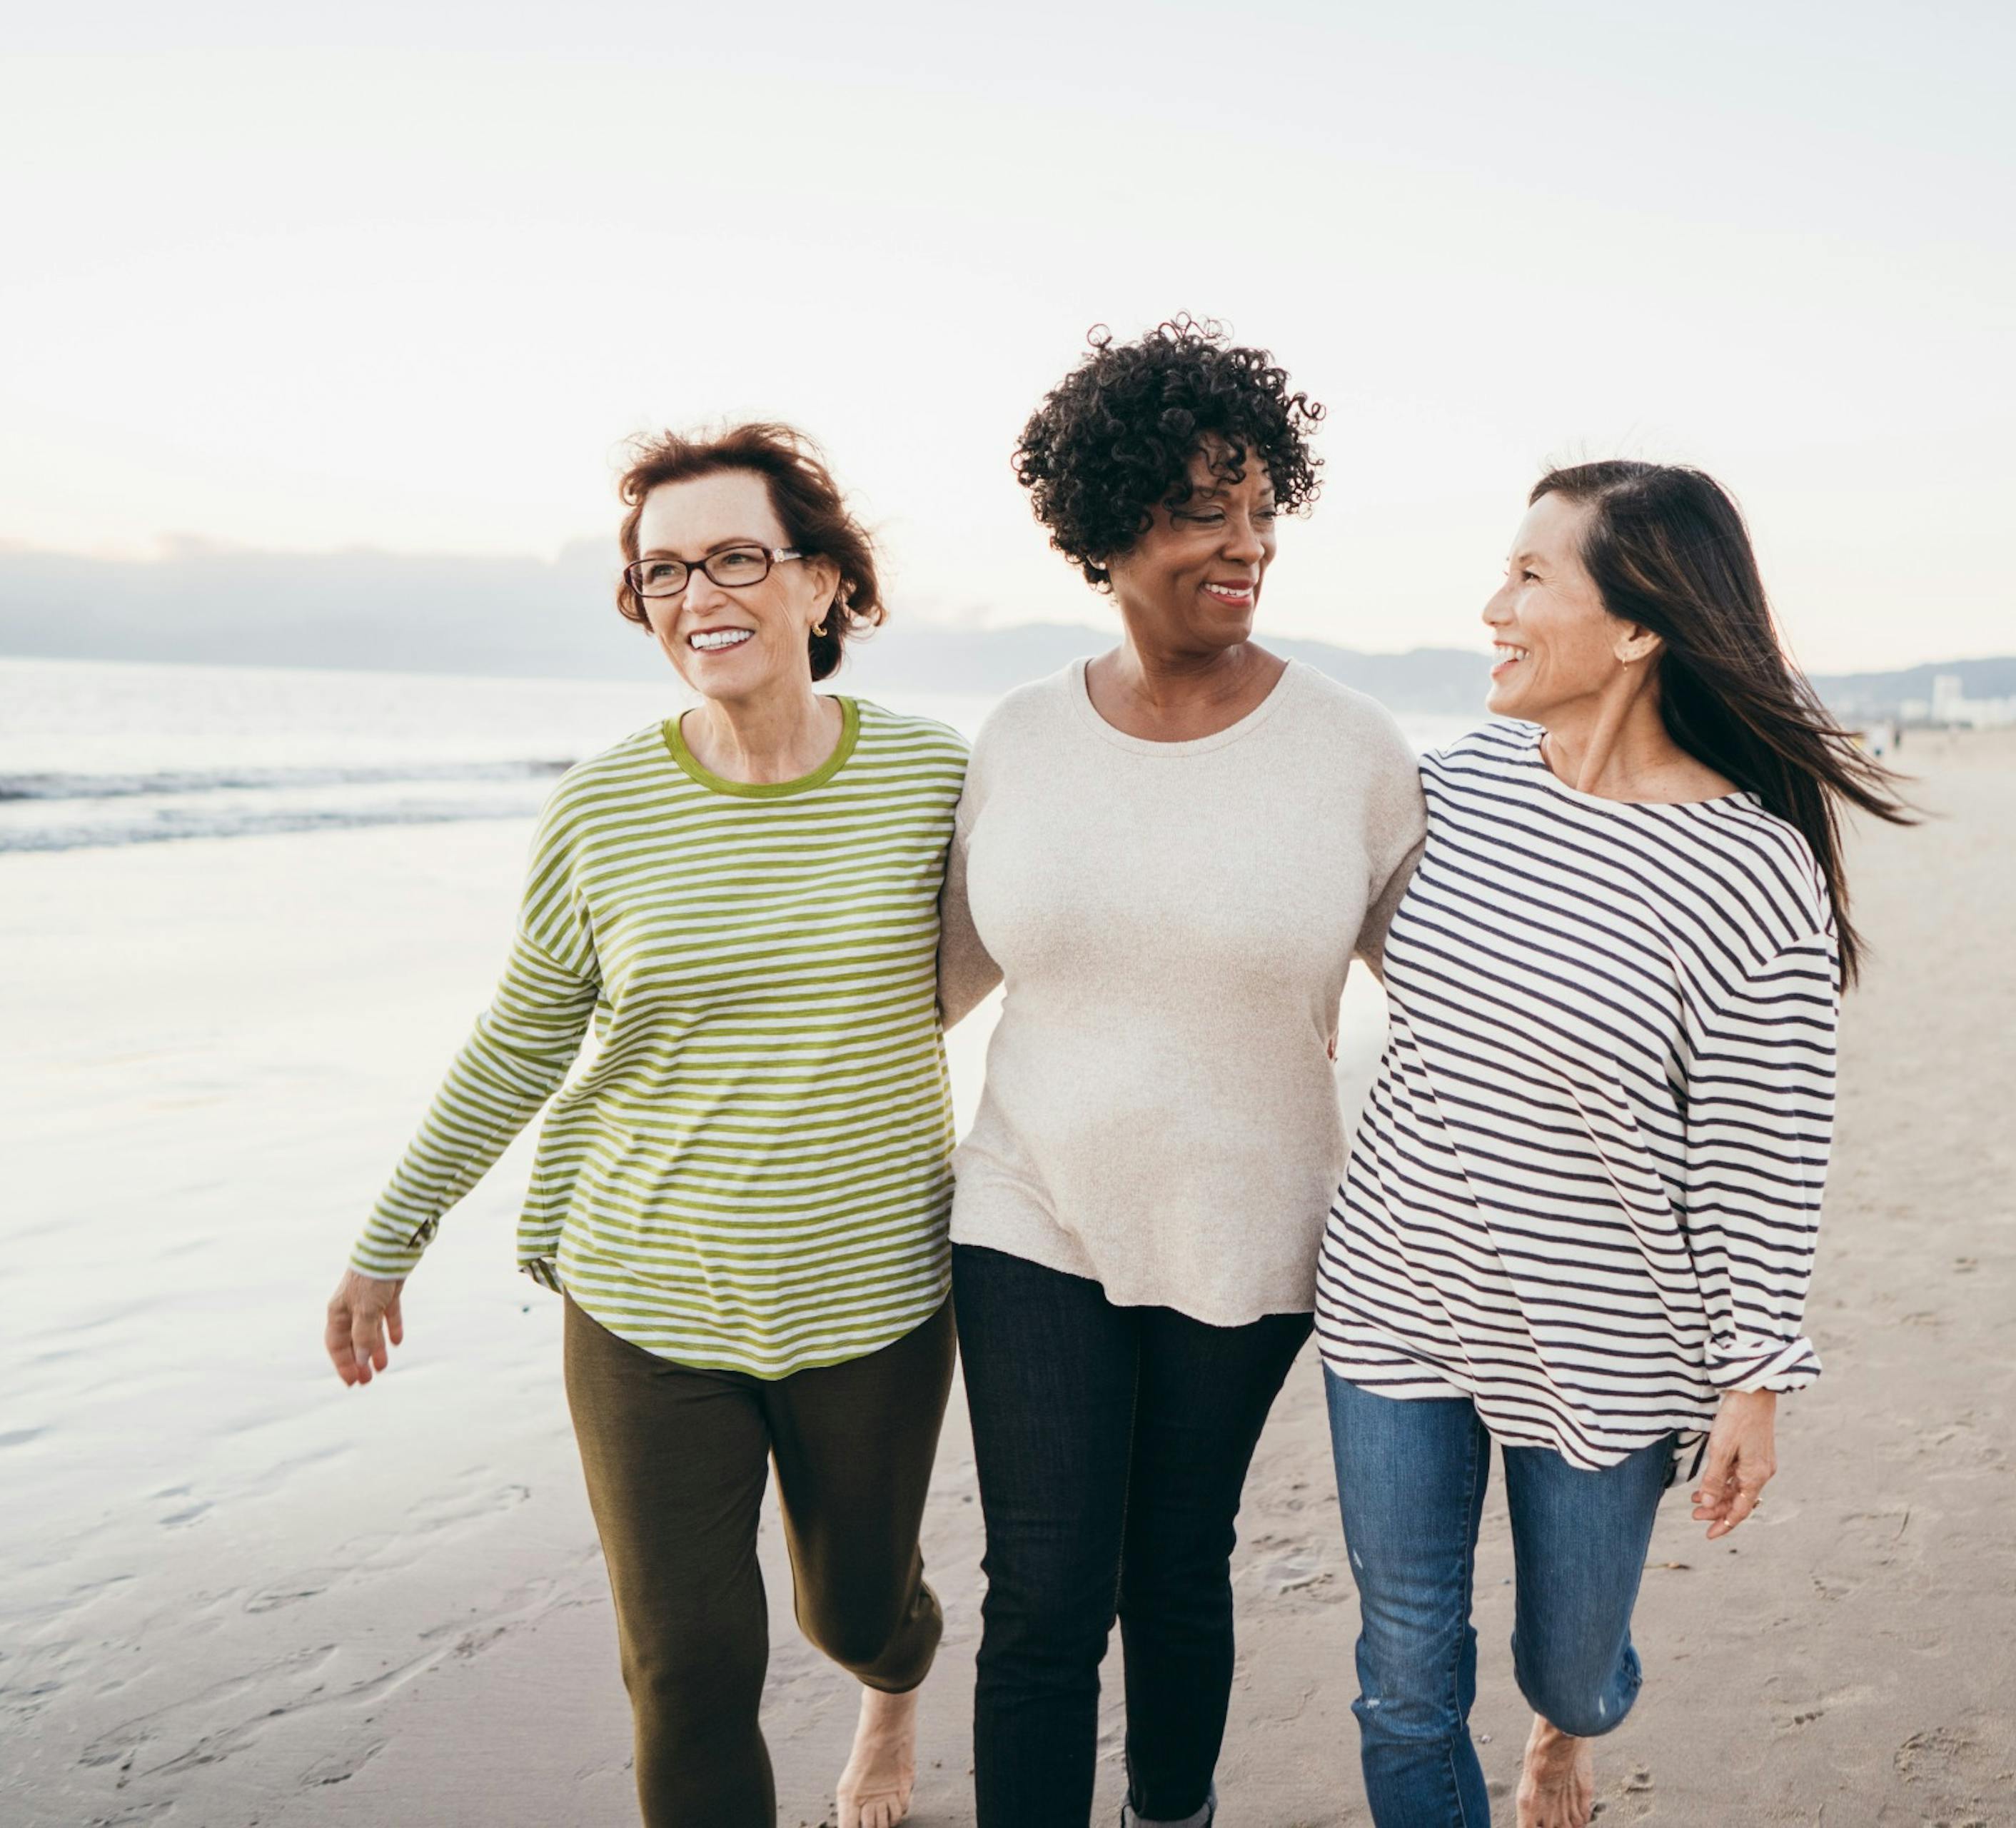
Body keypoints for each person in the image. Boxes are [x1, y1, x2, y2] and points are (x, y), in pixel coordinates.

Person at [322, 424, 966, 1828]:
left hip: (873, 1295)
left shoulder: (937, 781)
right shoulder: (603, 807)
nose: (697, 593)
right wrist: (389, 1241)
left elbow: (1062, 945)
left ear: (822, 583)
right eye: (661, 568)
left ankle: (893, 1686)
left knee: (858, 1605)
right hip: (644, 1293)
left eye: (736, 554)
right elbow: (520, 1039)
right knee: (687, 1666)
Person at [1313, 461, 1909, 1828]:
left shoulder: (1750, 869)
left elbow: (1766, 1149)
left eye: (1531, 578)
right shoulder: (1449, 792)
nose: (1491, 608)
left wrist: (1757, 1377)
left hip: (1608, 1342)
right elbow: (1275, 908)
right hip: (1397, 1297)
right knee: (1404, 1678)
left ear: (1639, 628)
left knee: (1572, 1670)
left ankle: (1566, 1732)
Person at [937, 318, 1426, 1828]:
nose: (1246, 545)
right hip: (1029, 1206)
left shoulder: (1352, 748)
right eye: (1206, 508)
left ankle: (1172, 1811)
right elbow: (925, 987)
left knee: (1174, 1557)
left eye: (1265, 511)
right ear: (1104, 523)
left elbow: (1455, 1006)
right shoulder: (1017, 739)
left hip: (1250, 1217)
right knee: (1042, 1584)